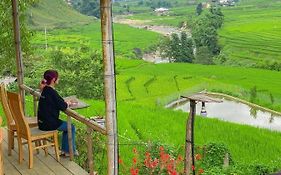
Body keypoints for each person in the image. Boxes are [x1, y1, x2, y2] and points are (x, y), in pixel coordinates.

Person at [37, 70, 78, 156]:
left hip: (42, 122)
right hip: (49, 124)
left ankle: (65, 151)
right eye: (58, 77)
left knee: (67, 127)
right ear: (54, 79)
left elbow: (57, 101)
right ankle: (70, 151)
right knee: (71, 127)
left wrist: (64, 102)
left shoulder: (45, 90)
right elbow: (63, 106)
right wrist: (69, 103)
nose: (59, 79)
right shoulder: (52, 92)